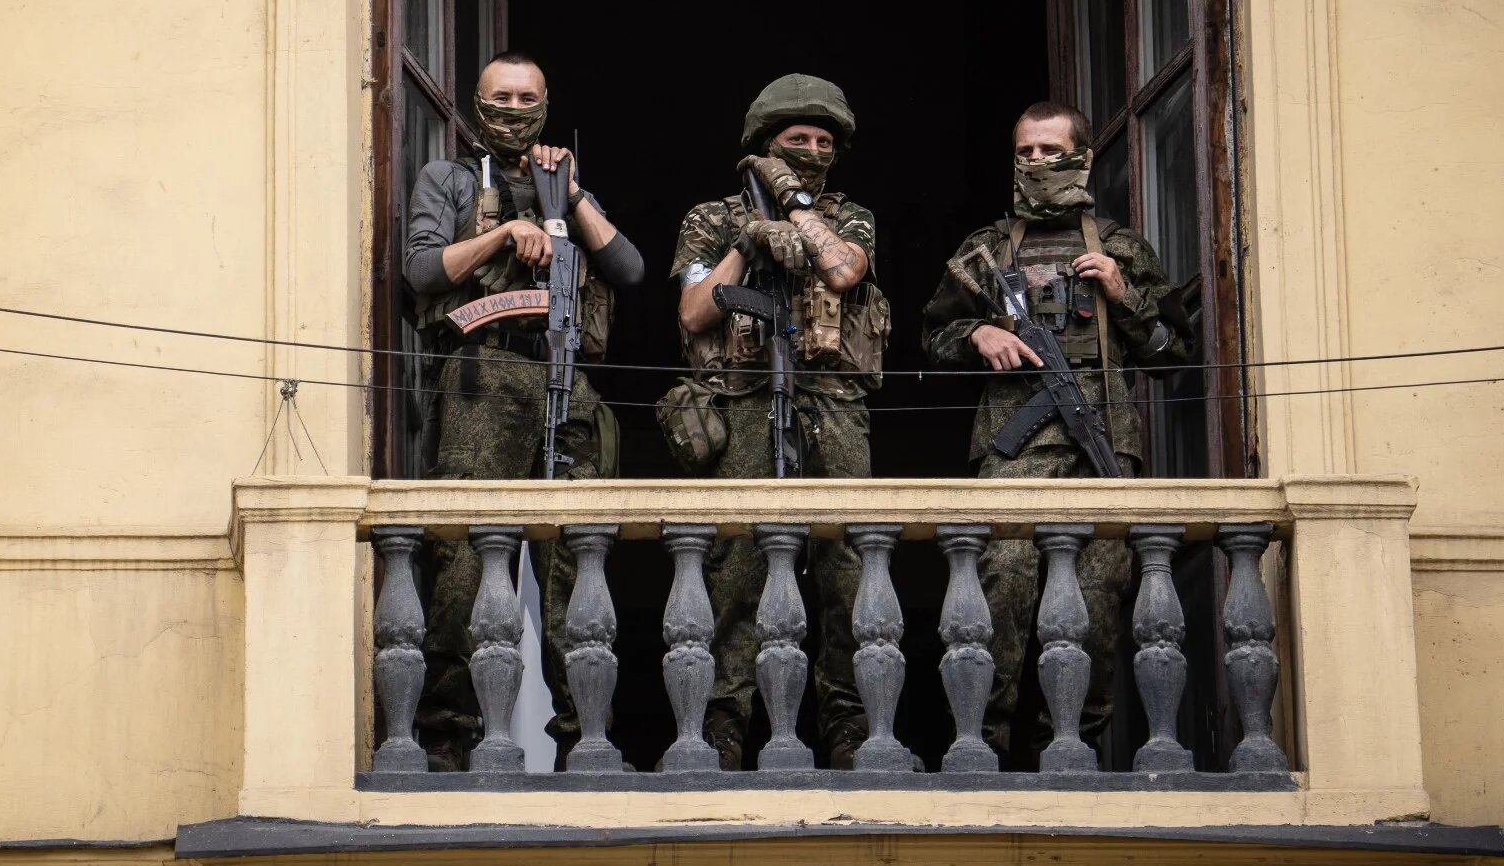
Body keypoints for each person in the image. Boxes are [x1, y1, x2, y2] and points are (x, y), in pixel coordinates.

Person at [920, 100, 1187, 762]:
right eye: (1025, 152)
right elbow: (932, 337)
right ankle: (981, 748)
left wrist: (1123, 294)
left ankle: (1071, 751)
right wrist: (977, 334)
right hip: (1013, 451)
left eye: (1050, 150)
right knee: (999, 592)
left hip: (1102, 451)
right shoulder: (987, 248)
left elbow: (1172, 354)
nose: (1036, 162)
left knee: (1096, 609)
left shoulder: (1121, 248)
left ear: (1082, 158)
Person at [403, 51, 644, 771]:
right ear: (478, 105)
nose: (514, 109)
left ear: (546, 104)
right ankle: (448, 738)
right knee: (468, 561)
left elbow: (628, 268)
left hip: (564, 376)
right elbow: (421, 270)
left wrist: (569, 193)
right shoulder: (449, 179)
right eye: (500, 97)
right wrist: (506, 234)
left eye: (527, 98)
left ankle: (585, 738)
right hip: (484, 375)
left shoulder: (565, 186)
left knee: (577, 560)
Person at [665, 74, 891, 770]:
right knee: (735, 569)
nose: (813, 150)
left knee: (845, 569)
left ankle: (850, 726)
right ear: (766, 143)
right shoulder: (710, 219)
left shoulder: (850, 217)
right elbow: (694, 312)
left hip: (833, 408)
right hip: (741, 407)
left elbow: (844, 271)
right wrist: (749, 240)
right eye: (798, 139)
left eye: (825, 141)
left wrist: (794, 206)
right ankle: (723, 728)